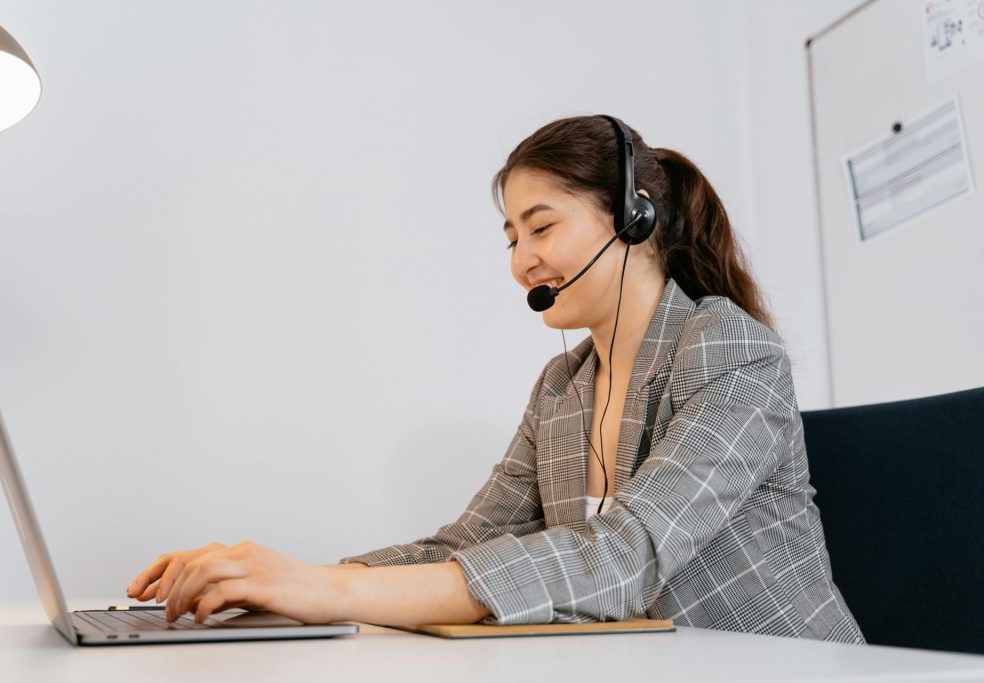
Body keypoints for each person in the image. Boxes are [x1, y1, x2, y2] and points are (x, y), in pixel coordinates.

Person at [125, 115, 865, 643]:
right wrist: (287, 583)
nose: (521, 262)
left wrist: (328, 592)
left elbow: (626, 554)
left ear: (633, 219)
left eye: (541, 228)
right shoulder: (562, 387)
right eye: (512, 237)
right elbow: (465, 542)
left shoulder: (732, 349)